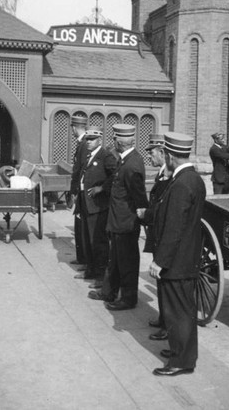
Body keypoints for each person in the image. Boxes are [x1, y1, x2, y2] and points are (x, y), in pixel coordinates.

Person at [150, 132, 206, 377]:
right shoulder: (193, 179)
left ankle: (182, 361)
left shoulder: (181, 183)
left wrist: (159, 261)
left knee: (179, 312)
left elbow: (174, 227)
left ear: (170, 156)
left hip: (177, 261)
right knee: (181, 309)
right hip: (185, 258)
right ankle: (179, 351)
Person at [89, 123, 149, 310]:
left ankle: (129, 298)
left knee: (127, 261)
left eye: (114, 139)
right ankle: (109, 291)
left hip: (126, 222)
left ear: (119, 142)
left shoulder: (132, 164)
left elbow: (139, 197)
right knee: (115, 259)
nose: (112, 141)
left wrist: (141, 218)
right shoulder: (125, 159)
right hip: (118, 220)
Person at [136, 133, 171, 340]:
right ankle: (163, 318)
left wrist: (146, 214)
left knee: (165, 282)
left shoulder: (169, 176)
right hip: (157, 232)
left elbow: (162, 208)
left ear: (163, 153)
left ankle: (167, 326)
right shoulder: (162, 172)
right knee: (160, 282)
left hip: (163, 234)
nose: (150, 157)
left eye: (153, 153)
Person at [74, 127, 117, 287]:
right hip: (86, 203)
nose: (88, 142)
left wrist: (102, 188)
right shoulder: (89, 156)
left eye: (91, 139)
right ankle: (90, 270)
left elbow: (115, 175)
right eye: (87, 139)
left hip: (98, 206)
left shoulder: (106, 156)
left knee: (98, 242)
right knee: (87, 239)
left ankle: (100, 277)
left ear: (99, 140)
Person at [69, 114, 88, 266]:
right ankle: (81, 257)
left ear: (75, 128)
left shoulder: (83, 144)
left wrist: (74, 191)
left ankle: (83, 258)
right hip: (80, 189)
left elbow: (79, 169)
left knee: (81, 225)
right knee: (79, 224)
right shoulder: (82, 143)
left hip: (81, 190)